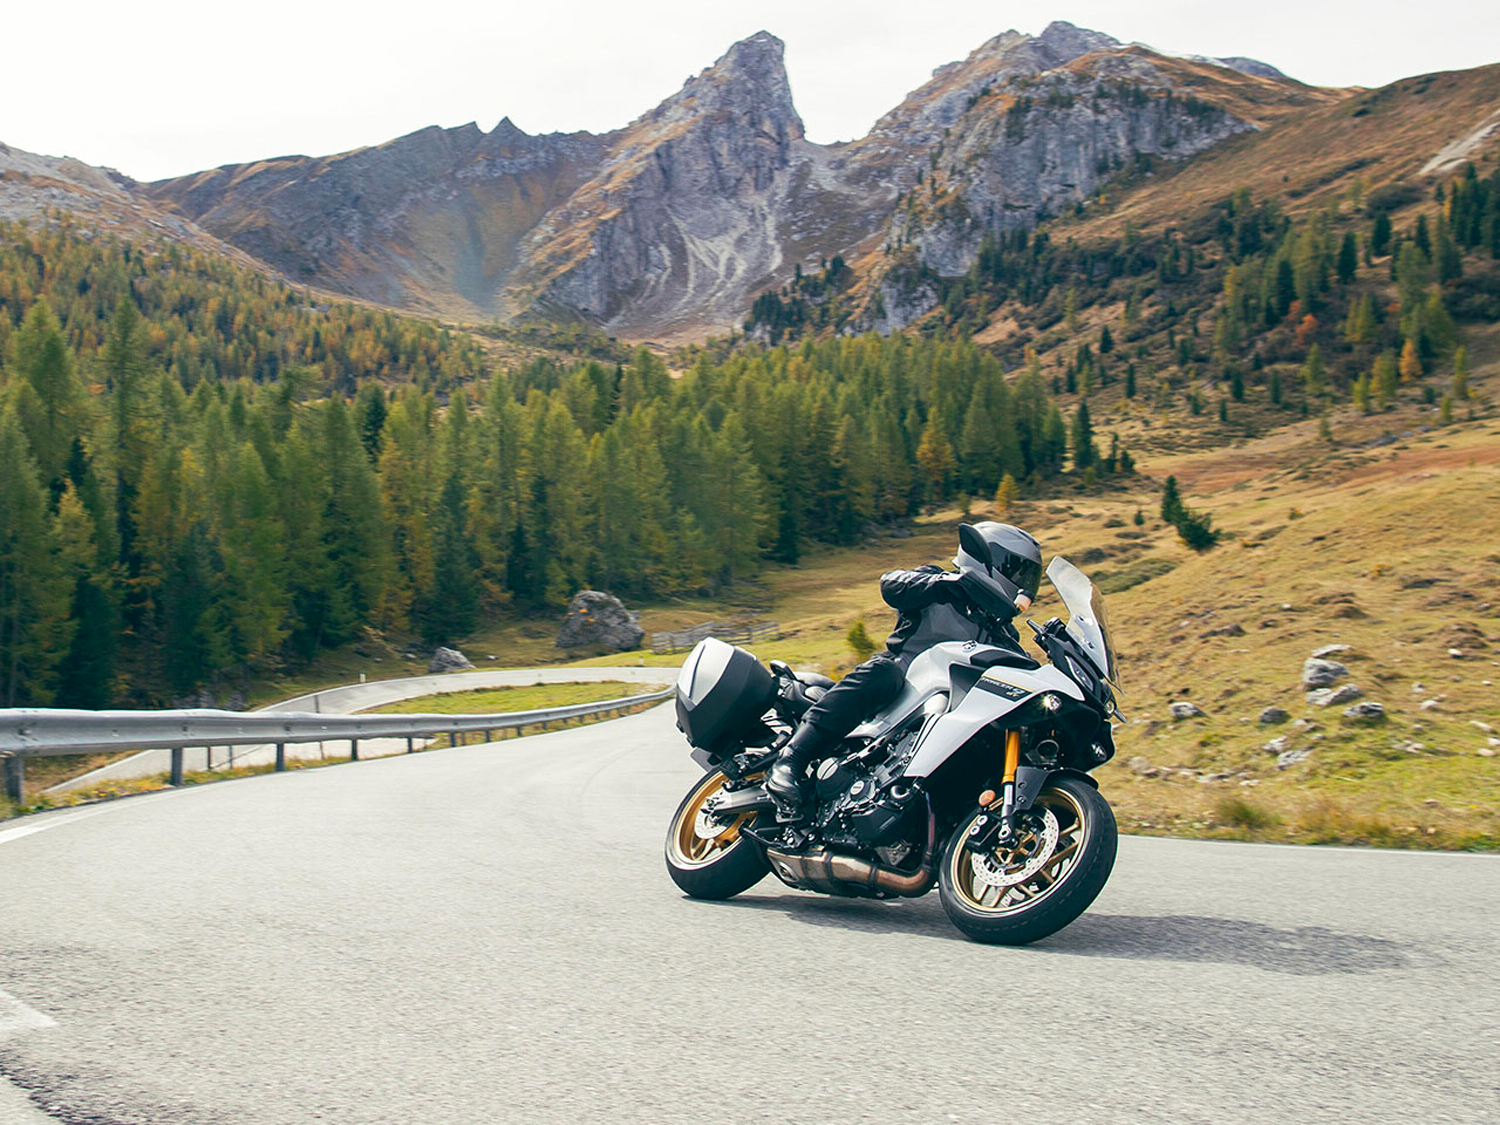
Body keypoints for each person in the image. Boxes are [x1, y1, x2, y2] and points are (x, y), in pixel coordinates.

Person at [766, 522, 1044, 805]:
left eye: (1030, 577)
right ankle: (792, 759)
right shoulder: (939, 580)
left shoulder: (1004, 634)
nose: (1025, 585)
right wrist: (946, 585)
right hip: (904, 677)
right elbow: (892, 584)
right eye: (1020, 572)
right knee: (884, 672)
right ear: (991, 559)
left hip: (949, 710)